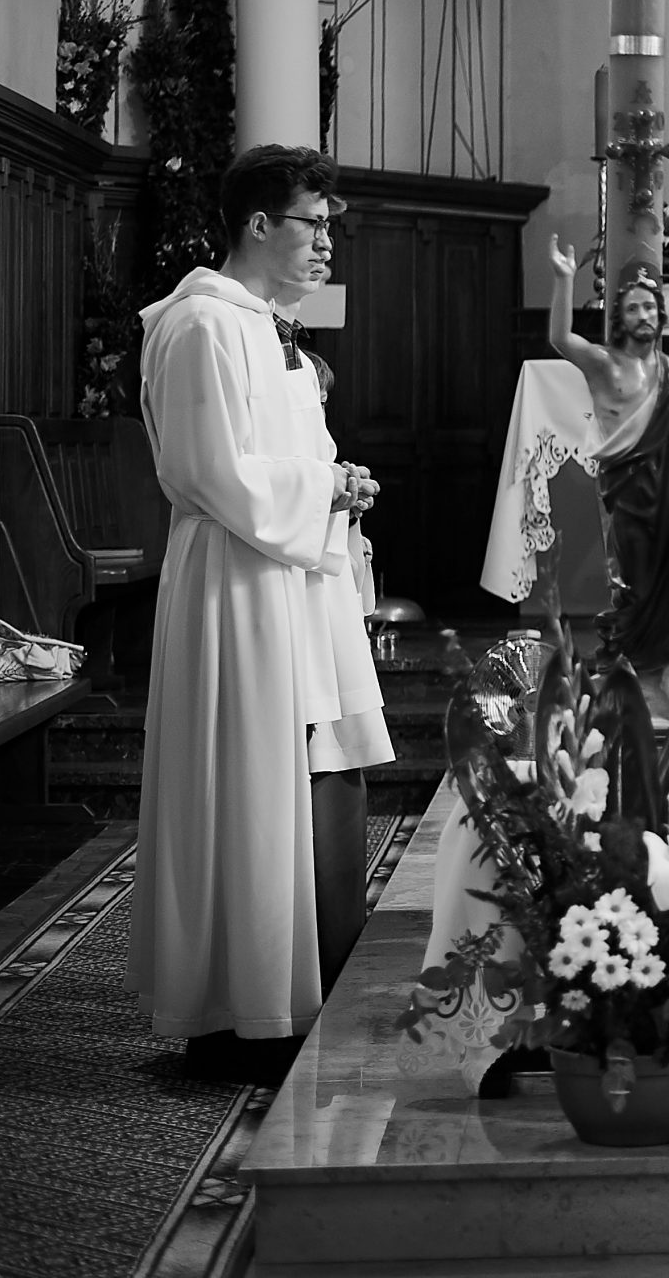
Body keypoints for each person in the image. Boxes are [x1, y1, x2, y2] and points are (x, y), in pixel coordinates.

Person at [131, 146, 388, 1075]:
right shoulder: (202, 322)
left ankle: (294, 994)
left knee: (309, 778)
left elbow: (281, 455)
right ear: (258, 224)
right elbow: (207, 470)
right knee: (242, 788)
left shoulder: (267, 326)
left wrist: (337, 482)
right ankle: (237, 1010)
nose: (326, 244)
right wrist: (325, 487)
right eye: (313, 224)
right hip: (237, 587)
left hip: (292, 576)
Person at [269, 247, 395, 992]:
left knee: (340, 755)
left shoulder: (292, 369)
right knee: (322, 755)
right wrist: (333, 495)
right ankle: (308, 950)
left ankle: (335, 943)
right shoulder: (225, 336)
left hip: (322, 583)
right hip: (291, 586)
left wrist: (344, 495)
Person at [545, 240, 669, 716]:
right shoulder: (605, 365)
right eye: (633, 308)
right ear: (620, 318)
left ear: (661, 315)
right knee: (637, 590)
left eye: (649, 306)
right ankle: (630, 677)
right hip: (632, 500)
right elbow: (561, 339)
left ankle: (667, 678)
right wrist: (564, 279)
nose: (643, 315)